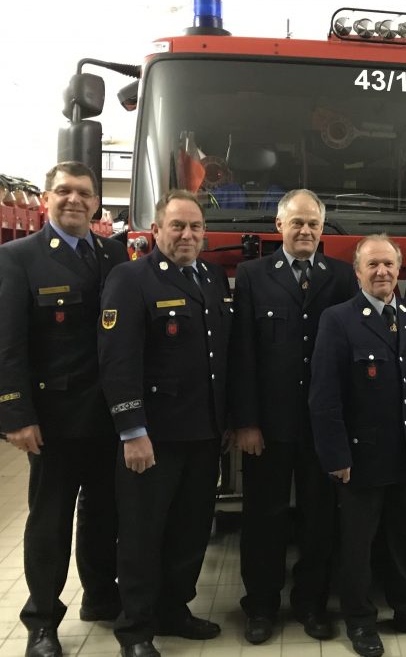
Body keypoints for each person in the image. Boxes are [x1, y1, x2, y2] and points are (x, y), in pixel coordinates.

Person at [0, 161, 127, 657]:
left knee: (103, 513)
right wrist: (15, 415)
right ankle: (42, 622)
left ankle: (100, 596)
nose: (74, 200)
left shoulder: (114, 253)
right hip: (53, 420)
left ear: (96, 203)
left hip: (108, 416)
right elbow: (8, 345)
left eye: (84, 193)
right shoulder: (18, 258)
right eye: (64, 191)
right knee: (50, 521)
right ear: (48, 198)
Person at [310, 235, 406, 657]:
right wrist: (336, 456)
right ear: (357, 272)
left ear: (399, 270)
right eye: (372, 265)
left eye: (389, 265)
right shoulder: (338, 319)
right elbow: (324, 396)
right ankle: (360, 621)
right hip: (361, 457)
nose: (382, 272)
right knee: (358, 546)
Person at [98, 190, 231, 657]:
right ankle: (136, 629)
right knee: (142, 534)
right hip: (153, 438)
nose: (187, 235)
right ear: (156, 231)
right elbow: (118, 361)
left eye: (195, 227)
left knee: (191, 530)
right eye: (177, 226)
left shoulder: (211, 278)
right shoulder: (130, 278)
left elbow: (219, 357)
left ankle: (175, 610)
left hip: (204, 433)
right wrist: (132, 431)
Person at [228, 189, 356, 643]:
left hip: (323, 426)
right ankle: (261, 606)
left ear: (322, 229)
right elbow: (242, 353)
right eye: (297, 222)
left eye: (313, 224)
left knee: (319, 519)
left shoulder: (342, 276)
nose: (305, 230)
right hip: (268, 425)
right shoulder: (252, 275)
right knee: (264, 517)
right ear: (279, 226)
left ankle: (312, 603)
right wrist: (246, 422)